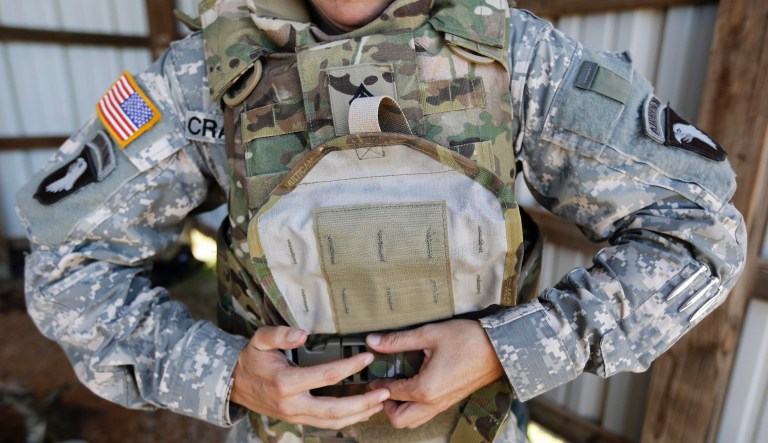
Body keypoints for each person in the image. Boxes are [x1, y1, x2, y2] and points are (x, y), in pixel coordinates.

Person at [16, 0, 746, 442]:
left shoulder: (518, 60)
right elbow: (64, 263)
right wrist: (224, 372)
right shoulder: (202, 73)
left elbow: (701, 226)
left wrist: (510, 348)